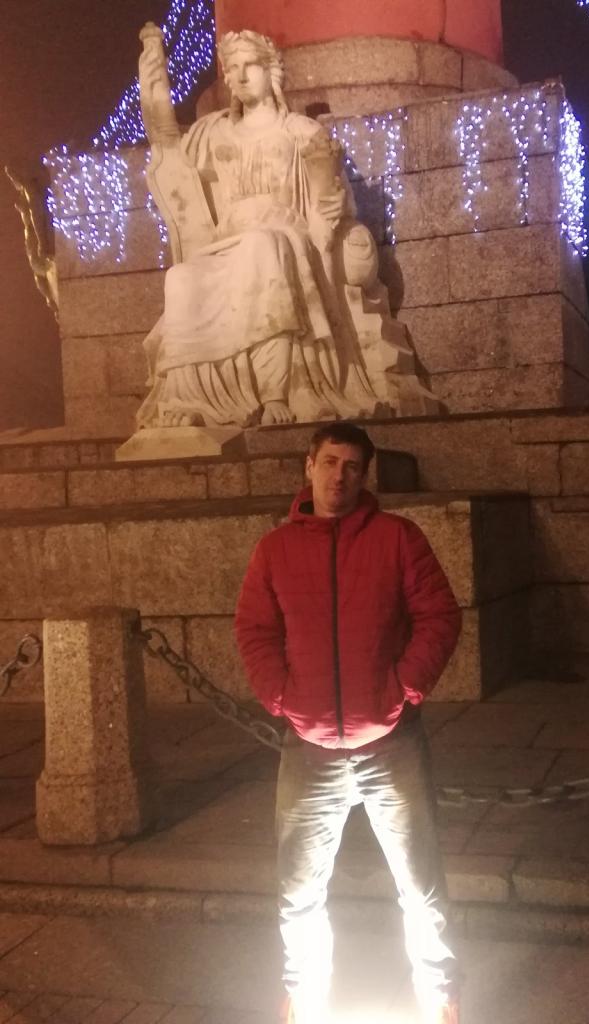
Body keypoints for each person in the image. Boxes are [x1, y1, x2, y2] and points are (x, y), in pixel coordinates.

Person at [235, 421, 462, 1024]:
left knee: (421, 887)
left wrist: (403, 689)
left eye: (353, 467)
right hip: (308, 748)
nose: (340, 476)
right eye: (331, 462)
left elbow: (439, 616)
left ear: (365, 476)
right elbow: (255, 629)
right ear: (308, 467)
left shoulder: (398, 538)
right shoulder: (275, 549)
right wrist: (281, 697)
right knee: (298, 892)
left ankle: (439, 997)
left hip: (390, 743)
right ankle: (304, 998)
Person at [136, 28, 436, 431]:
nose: (241, 76)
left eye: (251, 66)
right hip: (226, 242)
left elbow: (334, 198)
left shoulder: (301, 131)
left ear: (272, 71)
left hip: (285, 236)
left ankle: (275, 391)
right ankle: (188, 397)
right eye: (233, 69)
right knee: (181, 279)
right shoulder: (213, 132)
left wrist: (332, 204)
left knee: (262, 248)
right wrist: (153, 84)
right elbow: (167, 142)